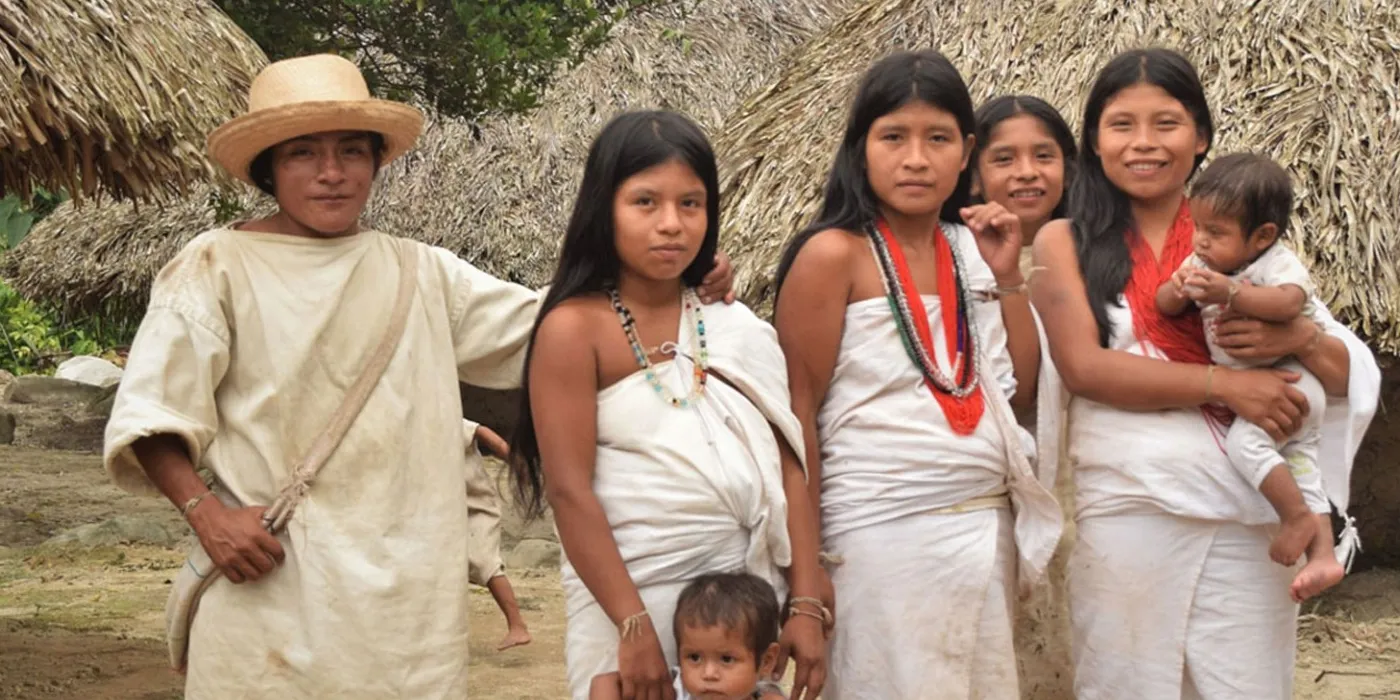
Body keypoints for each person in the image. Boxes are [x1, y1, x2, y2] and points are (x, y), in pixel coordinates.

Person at [101, 54, 736, 698]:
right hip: (270, 584)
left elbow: (548, 325)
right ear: (269, 166)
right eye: (303, 153)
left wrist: (678, 281)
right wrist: (206, 514)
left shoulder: (419, 273)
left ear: (376, 161)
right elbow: (153, 411)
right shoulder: (216, 266)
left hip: (407, 614)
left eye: (352, 151)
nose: (331, 172)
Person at [1030, 48, 1380, 699]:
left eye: (1165, 123)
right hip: (1132, 507)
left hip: (1253, 514)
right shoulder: (1065, 240)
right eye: (1121, 125)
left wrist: (1298, 337)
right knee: (1126, 683)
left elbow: (1340, 376)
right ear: (1095, 141)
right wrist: (1225, 385)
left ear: (1200, 137)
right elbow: (1083, 367)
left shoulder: (1245, 236)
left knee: (1246, 686)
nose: (1143, 143)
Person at [508, 109, 827, 700]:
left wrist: (805, 599)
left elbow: (788, 467)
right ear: (604, 208)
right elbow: (570, 490)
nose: (671, 224)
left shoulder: (732, 323)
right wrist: (632, 627)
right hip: (629, 596)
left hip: (742, 610)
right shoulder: (574, 329)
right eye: (645, 203)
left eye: (691, 204)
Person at [773, 50, 1062, 699]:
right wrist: (805, 582)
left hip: (983, 536)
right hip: (876, 539)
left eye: (937, 139)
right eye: (893, 138)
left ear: (966, 153)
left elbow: (1020, 389)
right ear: (860, 148)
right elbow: (796, 422)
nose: (916, 159)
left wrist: (1007, 276)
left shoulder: (970, 250)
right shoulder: (832, 256)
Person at [1155, 152, 1346, 602]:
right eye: (1198, 227)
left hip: (1291, 380)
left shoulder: (1276, 263)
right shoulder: (1203, 262)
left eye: (1216, 232)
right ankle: (1323, 555)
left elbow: (1289, 304)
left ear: (1263, 236)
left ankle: (1294, 517)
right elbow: (1164, 303)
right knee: (1302, 464)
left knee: (1246, 444)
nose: (1201, 240)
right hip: (1273, 390)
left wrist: (1232, 293)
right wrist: (1177, 291)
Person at [590, 572, 788, 700]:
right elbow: (604, 683)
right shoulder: (675, 692)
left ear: (767, 661)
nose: (708, 674)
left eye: (727, 659)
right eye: (694, 657)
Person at [971, 94, 1077, 275]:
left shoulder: (1097, 255)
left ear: (1067, 172)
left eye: (1043, 156)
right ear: (974, 178)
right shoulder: (957, 259)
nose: (1027, 173)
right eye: (1004, 159)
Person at [462, 419, 532, 650]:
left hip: (476, 507)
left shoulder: (446, 419)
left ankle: (517, 625)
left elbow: (481, 432)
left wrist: (514, 462)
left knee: (485, 562)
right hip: (443, 511)